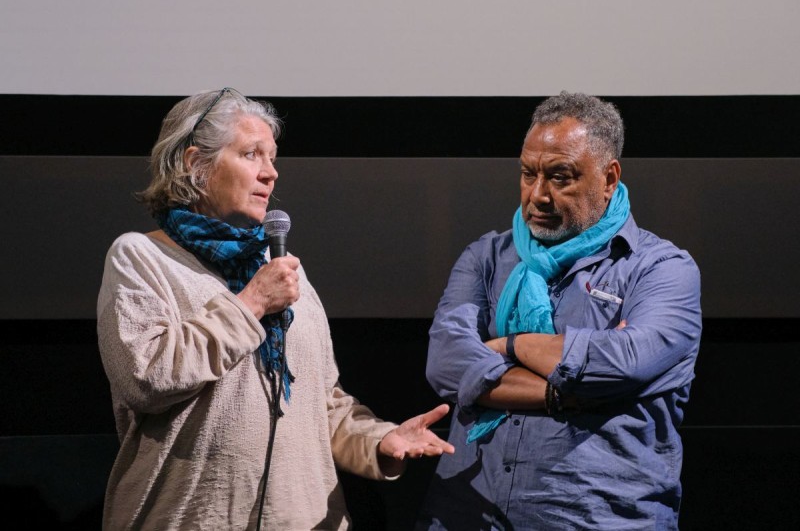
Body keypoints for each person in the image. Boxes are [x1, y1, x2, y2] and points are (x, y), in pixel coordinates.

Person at [97, 88, 454, 530]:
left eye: (272, 157)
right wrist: (251, 304)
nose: (271, 173)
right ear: (195, 164)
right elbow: (147, 378)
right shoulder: (142, 259)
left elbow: (324, 405)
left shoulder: (283, 273)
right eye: (251, 154)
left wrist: (382, 440)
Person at [416, 92, 701, 530]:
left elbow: (624, 364)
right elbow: (447, 364)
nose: (538, 195)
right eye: (528, 174)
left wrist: (512, 344)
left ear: (608, 178)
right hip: (467, 513)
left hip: (594, 518)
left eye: (560, 177)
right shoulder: (487, 257)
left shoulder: (661, 269)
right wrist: (563, 391)